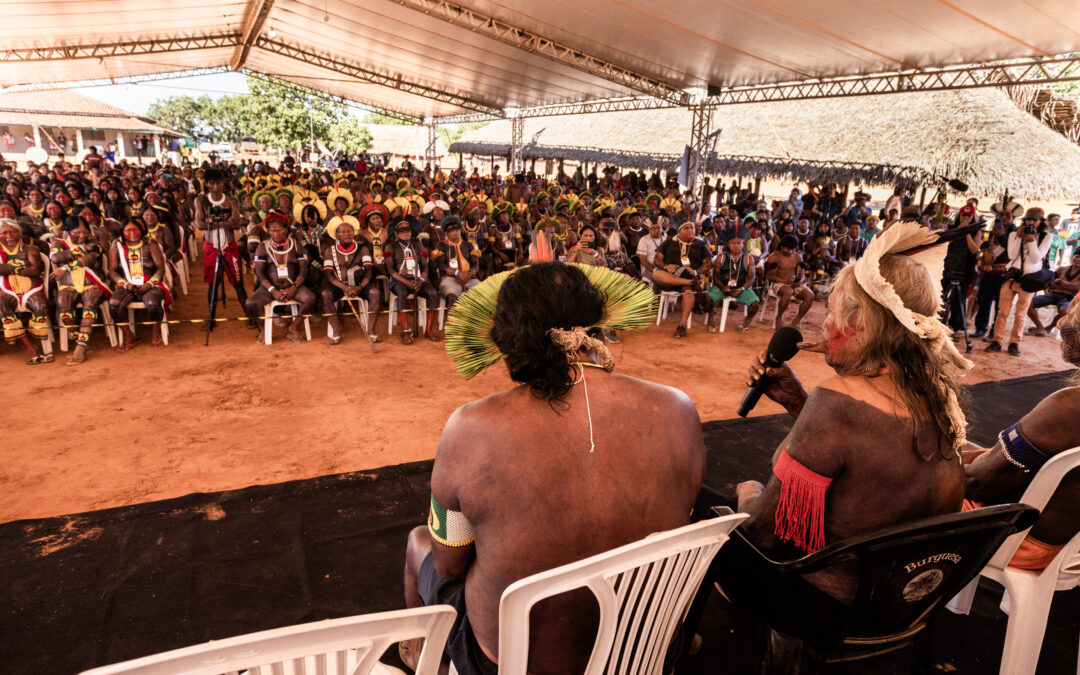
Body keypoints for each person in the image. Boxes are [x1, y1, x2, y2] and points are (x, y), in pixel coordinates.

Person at [403, 262, 703, 675]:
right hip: (643, 651)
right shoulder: (677, 407)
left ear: (507, 338)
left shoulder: (469, 429)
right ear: (598, 320)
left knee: (419, 542)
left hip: (510, 663)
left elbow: (448, 565)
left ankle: (423, 655)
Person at [686, 220, 972, 649]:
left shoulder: (838, 400)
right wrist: (800, 402)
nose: (825, 325)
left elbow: (764, 534)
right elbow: (873, 461)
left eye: (834, 311)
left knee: (690, 498)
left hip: (824, 606)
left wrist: (747, 496)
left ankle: (675, 639)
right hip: (903, 602)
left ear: (860, 324)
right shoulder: (938, 395)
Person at [964, 297, 1080, 570]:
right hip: (1065, 545)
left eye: (1072, 319)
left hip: (1017, 541)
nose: (1062, 323)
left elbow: (978, 483)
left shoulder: (1068, 407)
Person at [985, 207, 1053, 356]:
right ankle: (997, 340)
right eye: (1029, 219)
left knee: (1020, 313)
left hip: (1029, 279)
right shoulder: (1014, 234)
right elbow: (1011, 254)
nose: (1031, 222)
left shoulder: (1046, 237)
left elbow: (1036, 259)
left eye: (1035, 220)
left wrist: (1031, 241)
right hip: (1012, 276)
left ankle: (1014, 343)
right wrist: (1018, 237)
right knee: (1002, 311)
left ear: (1041, 221)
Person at [246, 215, 315, 344]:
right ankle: (263, 329)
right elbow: (260, 274)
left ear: (286, 230)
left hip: (294, 285)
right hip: (271, 287)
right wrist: (273, 291)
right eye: (272, 231)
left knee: (310, 298)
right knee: (250, 304)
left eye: (279, 230)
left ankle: (294, 327)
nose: (275, 233)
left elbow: (303, 270)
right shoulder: (262, 246)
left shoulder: (296, 245)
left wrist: (294, 287)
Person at [51, 220, 111, 365]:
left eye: (85, 232)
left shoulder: (94, 244)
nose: (82, 236)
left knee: (89, 306)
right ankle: (80, 339)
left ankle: (80, 347)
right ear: (68, 232)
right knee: (63, 307)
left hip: (92, 284)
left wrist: (64, 268)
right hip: (68, 285)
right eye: (77, 232)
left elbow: (90, 258)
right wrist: (82, 250)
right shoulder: (58, 243)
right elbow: (55, 258)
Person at [195, 168, 248, 329]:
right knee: (213, 284)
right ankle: (211, 319)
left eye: (218, 182)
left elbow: (237, 223)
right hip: (211, 246)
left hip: (229, 245)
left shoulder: (231, 200)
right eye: (212, 183)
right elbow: (200, 224)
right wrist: (224, 221)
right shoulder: (201, 201)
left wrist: (214, 222)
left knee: (238, 283)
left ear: (222, 182)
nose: (216, 186)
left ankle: (250, 316)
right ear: (207, 184)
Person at [108, 217, 170, 350]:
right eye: (128, 230)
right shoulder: (116, 248)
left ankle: (155, 332)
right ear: (122, 232)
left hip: (150, 284)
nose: (132, 232)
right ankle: (128, 334)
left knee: (153, 304)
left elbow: (160, 269)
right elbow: (112, 271)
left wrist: (150, 284)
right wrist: (126, 284)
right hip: (127, 284)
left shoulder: (151, 246)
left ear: (142, 231)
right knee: (114, 304)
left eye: (135, 229)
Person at [320, 216, 380, 345]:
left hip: (359, 284)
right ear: (337, 235)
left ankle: (371, 331)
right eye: (343, 231)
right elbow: (329, 274)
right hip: (340, 285)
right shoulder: (330, 251)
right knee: (326, 294)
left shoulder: (362, 249)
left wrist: (360, 287)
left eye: (349, 231)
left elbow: (369, 270)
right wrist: (344, 288)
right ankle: (336, 332)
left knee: (375, 293)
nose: (347, 234)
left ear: (354, 233)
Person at [0, 218, 51, 364]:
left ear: (20, 234)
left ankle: (35, 343)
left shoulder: (30, 249)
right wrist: (23, 264)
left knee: (40, 306)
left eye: (13, 232)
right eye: (4, 233)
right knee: (1, 305)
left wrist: (7, 269)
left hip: (31, 288)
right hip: (5, 290)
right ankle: (27, 345)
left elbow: (36, 270)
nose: (9, 236)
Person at [651, 221, 712, 339]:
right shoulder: (669, 241)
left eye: (692, 228)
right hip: (669, 277)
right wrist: (665, 266)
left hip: (689, 275)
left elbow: (709, 263)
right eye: (686, 228)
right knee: (656, 274)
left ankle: (682, 325)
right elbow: (657, 260)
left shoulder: (700, 243)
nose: (690, 230)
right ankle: (690, 283)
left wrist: (696, 272)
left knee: (689, 293)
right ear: (679, 231)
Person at [385, 219, 440, 343]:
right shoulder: (391, 246)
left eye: (408, 229)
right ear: (396, 233)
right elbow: (390, 270)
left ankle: (428, 330)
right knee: (402, 293)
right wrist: (407, 282)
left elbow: (425, 265)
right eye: (402, 230)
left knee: (433, 293)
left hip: (418, 279)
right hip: (399, 281)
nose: (405, 232)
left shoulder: (418, 244)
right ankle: (406, 331)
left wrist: (421, 279)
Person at [706, 236, 760, 332]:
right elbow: (715, 277)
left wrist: (741, 289)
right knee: (708, 298)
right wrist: (723, 287)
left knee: (755, 304)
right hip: (722, 287)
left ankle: (747, 320)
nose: (736, 246)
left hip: (742, 288)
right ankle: (711, 317)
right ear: (728, 245)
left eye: (739, 243)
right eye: (733, 243)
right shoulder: (721, 257)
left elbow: (751, 278)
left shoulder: (748, 258)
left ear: (743, 245)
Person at [764, 234, 814, 329]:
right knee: (788, 291)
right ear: (782, 246)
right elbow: (769, 276)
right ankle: (779, 318)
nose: (790, 251)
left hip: (793, 283)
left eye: (792, 249)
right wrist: (785, 281)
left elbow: (801, 274)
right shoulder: (774, 257)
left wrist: (799, 280)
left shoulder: (797, 257)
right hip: (778, 284)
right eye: (788, 249)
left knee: (810, 295)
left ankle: (797, 320)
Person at [1026, 252, 1080, 336]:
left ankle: (1048, 328)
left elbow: (1077, 288)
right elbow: (1050, 282)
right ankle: (1040, 327)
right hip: (1052, 294)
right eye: (1077, 256)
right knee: (1027, 303)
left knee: (1065, 311)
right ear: (1073, 257)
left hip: (1068, 298)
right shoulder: (1061, 269)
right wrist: (1067, 286)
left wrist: (1060, 282)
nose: (1078, 259)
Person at [437, 217, 481, 310]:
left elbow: (476, 265)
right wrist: (458, 273)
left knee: (483, 294)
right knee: (452, 297)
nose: (455, 232)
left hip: (469, 278)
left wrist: (467, 275)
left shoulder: (468, 245)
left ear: (460, 230)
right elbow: (441, 265)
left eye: (457, 229)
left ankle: (476, 323)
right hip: (450, 279)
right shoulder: (441, 245)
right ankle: (453, 324)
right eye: (451, 230)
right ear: (446, 233)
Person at [635, 220, 664, 287]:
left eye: (658, 228)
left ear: (662, 228)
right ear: (649, 230)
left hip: (663, 267)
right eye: (653, 228)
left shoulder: (665, 239)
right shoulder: (644, 240)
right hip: (649, 269)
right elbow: (643, 260)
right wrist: (655, 270)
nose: (657, 230)